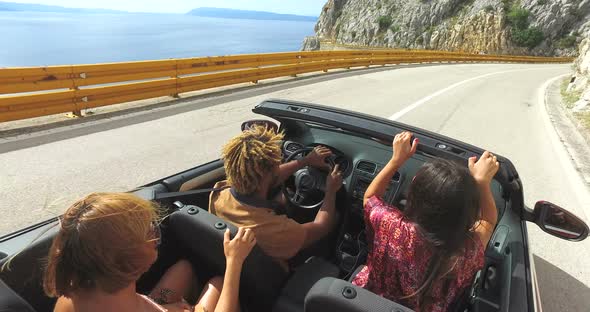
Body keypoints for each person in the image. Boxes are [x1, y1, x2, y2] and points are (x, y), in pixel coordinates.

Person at [352, 131, 499, 312]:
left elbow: (370, 198)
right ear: (466, 214)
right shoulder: (466, 252)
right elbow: (487, 221)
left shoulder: (389, 225)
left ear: (413, 198)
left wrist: (396, 160)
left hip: (367, 303)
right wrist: (482, 182)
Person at [44, 192, 256, 312]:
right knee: (218, 282)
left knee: (184, 269)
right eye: (150, 231)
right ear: (132, 263)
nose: (155, 233)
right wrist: (234, 261)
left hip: (148, 304)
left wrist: (167, 307)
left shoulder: (72, 297)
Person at [209, 125, 343, 270]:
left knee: (283, 199)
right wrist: (331, 190)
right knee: (335, 216)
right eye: (276, 165)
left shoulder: (219, 193)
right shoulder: (274, 230)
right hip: (283, 276)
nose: (279, 166)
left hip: (248, 266)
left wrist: (305, 161)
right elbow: (321, 227)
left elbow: (269, 177)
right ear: (269, 174)